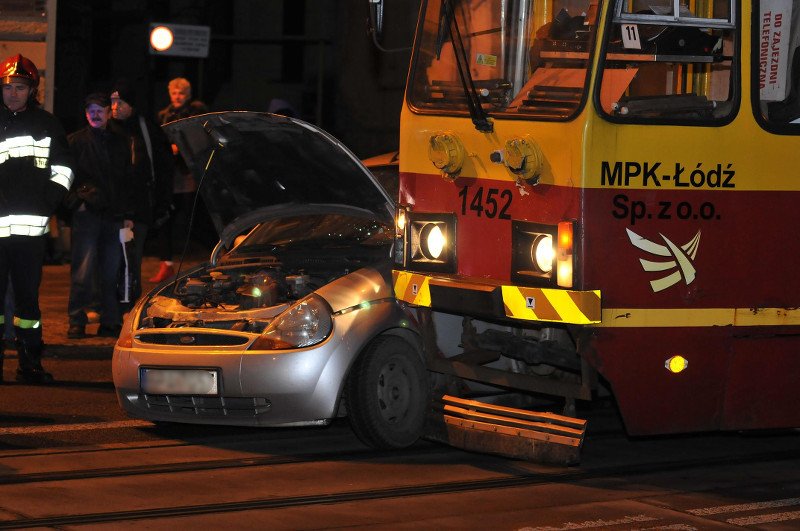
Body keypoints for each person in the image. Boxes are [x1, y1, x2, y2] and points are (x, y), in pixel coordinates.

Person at [0, 53, 74, 384]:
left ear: (32, 90)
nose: (12, 93)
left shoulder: (47, 125)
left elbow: (64, 170)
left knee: (28, 302)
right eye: (7, 87)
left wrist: (47, 204)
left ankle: (29, 363)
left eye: (19, 87)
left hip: (30, 232)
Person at [65, 93, 134, 339]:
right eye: (90, 110)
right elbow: (65, 177)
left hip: (113, 213)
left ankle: (110, 320)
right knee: (83, 271)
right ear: (85, 113)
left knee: (110, 271)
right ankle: (77, 320)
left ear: (108, 112)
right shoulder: (75, 141)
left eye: (99, 110)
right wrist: (77, 202)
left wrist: (127, 214)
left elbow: (127, 179)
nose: (94, 114)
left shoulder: (121, 142)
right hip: (87, 213)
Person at [110, 80, 173, 303]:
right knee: (110, 259)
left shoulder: (147, 130)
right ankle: (109, 305)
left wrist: (163, 202)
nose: (115, 106)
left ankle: (128, 304)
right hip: (111, 207)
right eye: (113, 101)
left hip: (139, 208)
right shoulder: (106, 130)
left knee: (132, 258)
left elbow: (163, 167)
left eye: (121, 101)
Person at [150, 77, 208, 283]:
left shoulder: (196, 113)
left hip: (189, 172)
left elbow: (199, 139)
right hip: (170, 174)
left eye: (181, 93)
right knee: (166, 217)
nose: (177, 97)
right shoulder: (164, 114)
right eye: (174, 93)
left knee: (193, 216)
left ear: (188, 95)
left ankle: (203, 260)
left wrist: (180, 149)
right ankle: (166, 264)